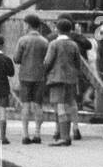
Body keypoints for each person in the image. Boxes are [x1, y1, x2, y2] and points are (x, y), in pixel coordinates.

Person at [43, 18, 84, 147]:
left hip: (56, 79)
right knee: (68, 105)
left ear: (57, 29)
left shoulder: (54, 44)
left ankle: (64, 137)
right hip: (71, 79)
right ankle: (65, 134)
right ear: (70, 30)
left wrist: (46, 71)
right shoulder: (73, 44)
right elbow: (78, 63)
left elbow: (47, 62)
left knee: (60, 107)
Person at [13, 14, 50, 144]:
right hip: (40, 76)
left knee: (26, 105)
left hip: (25, 76)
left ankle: (25, 134)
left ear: (28, 25)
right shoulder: (45, 41)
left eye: (24, 24)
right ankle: (37, 133)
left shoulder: (23, 40)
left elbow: (16, 59)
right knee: (38, 104)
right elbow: (48, 60)